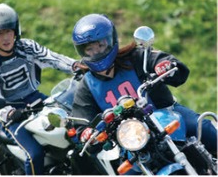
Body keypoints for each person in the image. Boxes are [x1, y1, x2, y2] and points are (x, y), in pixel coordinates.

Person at [70, 14, 217, 156]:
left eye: (100, 45)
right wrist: (85, 133)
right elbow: (81, 122)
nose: (96, 52)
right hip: (131, 139)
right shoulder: (86, 86)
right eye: (89, 49)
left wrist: (164, 65)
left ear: (111, 40)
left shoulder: (136, 57)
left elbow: (163, 62)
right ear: (82, 51)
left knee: (203, 127)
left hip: (166, 114)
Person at [0, 3, 85, 175]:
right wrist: (9, 112)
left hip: (36, 99)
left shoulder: (27, 47)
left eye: (8, 31)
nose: (5, 38)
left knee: (75, 130)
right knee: (34, 154)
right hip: (11, 113)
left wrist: (76, 66)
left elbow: (53, 58)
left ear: (16, 30)